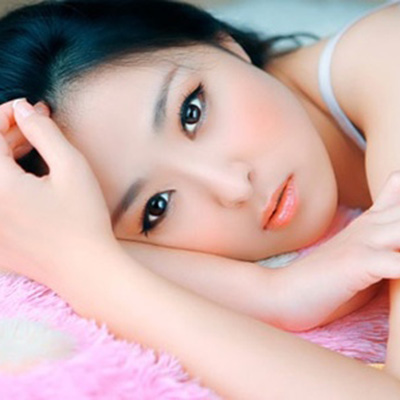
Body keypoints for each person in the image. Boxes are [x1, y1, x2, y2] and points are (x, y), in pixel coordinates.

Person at [1, 0, 400, 397]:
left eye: (191, 113)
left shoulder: (387, 57)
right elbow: (56, 241)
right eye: (157, 207)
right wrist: (274, 294)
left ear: (223, 42)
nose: (234, 188)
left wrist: (87, 270)